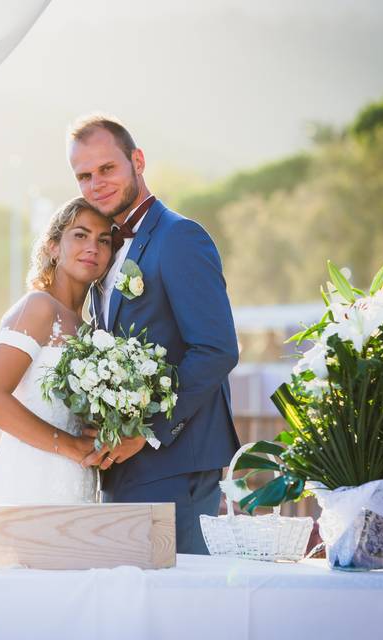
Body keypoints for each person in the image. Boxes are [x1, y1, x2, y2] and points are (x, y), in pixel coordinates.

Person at [68, 114, 240, 554]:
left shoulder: (180, 237)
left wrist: (146, 431)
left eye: (107, 169)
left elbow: (216, 349)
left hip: (176, 462)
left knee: (181, 610)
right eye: (84, 176)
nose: (96, 184)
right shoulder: (103, 254)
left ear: (137, 161)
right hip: (124, 467)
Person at [0, 197, 113, 504]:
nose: (93, 247)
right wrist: (72, 447)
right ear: (52, 247)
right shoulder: (38, 307)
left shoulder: (93, 332)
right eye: (80, 235)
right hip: (28, 480)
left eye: (104, 240)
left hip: (80, 480)